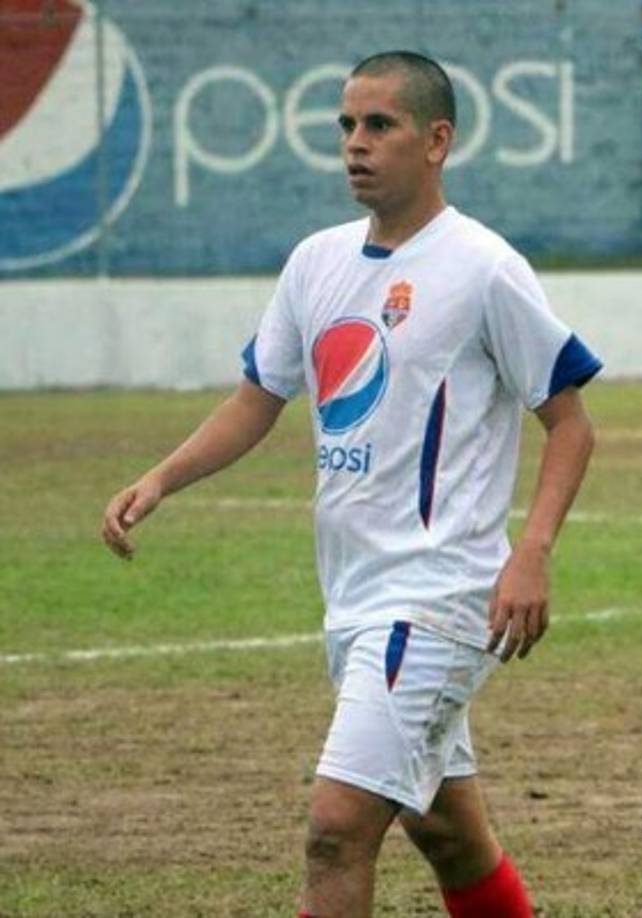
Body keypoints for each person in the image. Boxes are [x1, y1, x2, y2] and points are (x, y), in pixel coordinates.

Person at [101, 50, 602, 917]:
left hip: (436, 597)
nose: (355, 144)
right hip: (355, 594)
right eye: (346, 125)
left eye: (379, 125)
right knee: (448, 834)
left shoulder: (483, 267)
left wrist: (532, 551)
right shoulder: (316, 263)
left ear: (436, 140)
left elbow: (571, 424)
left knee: (336, 831)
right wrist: (160, 479)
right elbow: (257, 401)